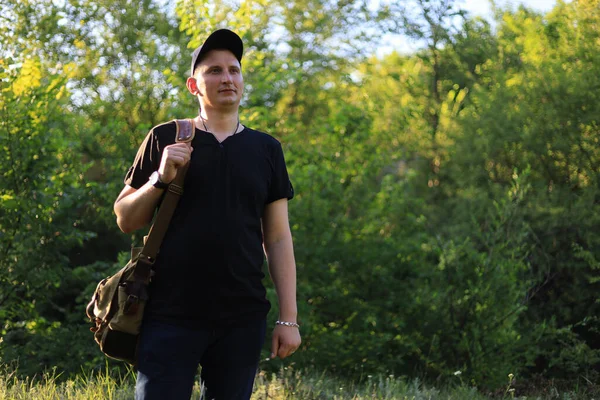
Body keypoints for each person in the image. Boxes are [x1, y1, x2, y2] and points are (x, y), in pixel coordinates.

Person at [113, 28, 301, 400]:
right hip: (168, 313)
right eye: (214, 70)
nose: (226, 78)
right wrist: (159, 178)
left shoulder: (266, 149)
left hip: (242, 318)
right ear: (193, 85)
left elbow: (277, 238)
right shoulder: (165, 136)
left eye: (234, 69)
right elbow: (125, 218)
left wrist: (288, 319)